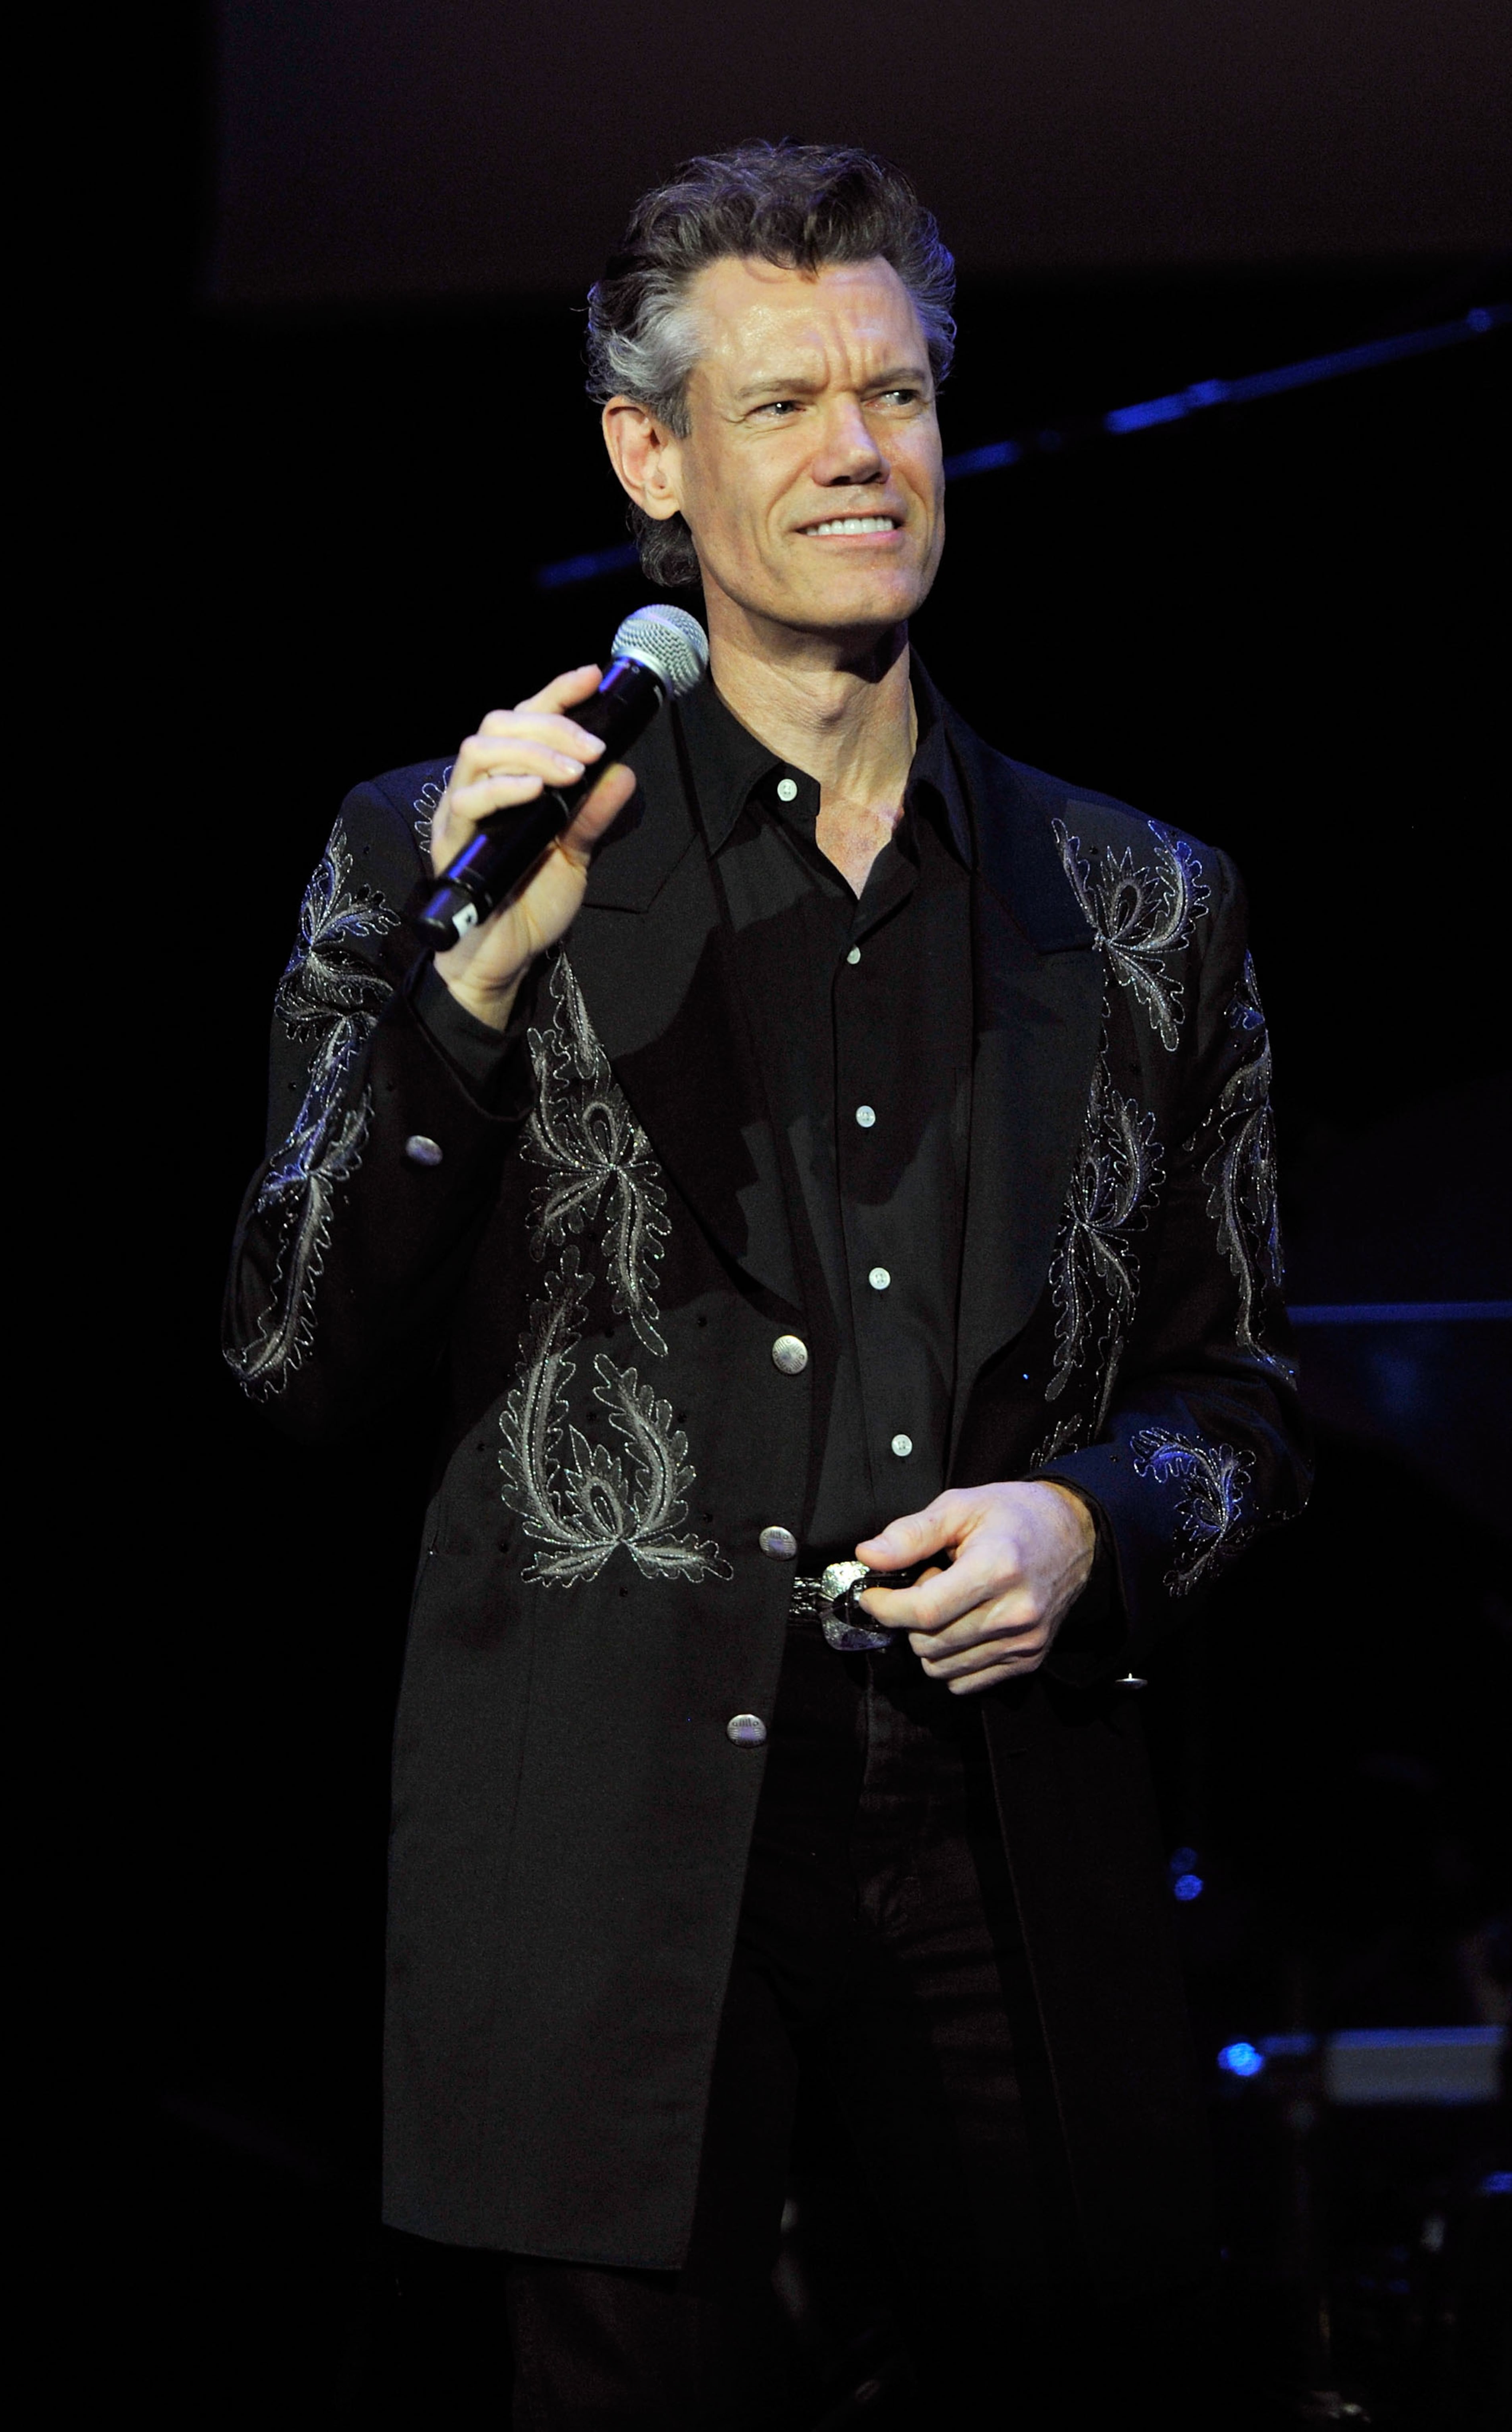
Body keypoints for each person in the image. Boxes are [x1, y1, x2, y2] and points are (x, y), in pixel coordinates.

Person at [226, 141, 1308, 2426]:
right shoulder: (446, 848)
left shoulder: (1136, 905)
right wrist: (475, 986)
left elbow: (1245, 1391)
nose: (861, 454)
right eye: (789, 400)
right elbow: (295, 1349)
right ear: (650, 452)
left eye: (897, 395)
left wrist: (1092, 1522)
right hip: (609, 1822)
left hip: (999, 1812)